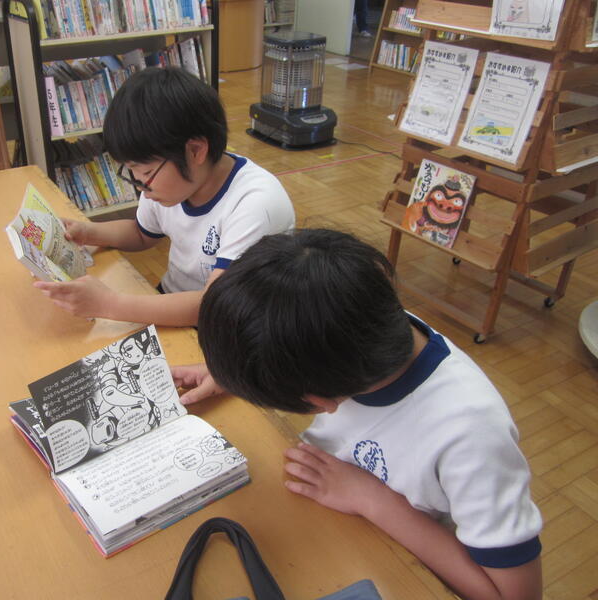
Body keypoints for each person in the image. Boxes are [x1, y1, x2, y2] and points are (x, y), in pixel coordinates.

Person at [172, 229, 543, 600]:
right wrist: (232, 372)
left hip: (400, 564)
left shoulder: (473, 437)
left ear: (321, 401)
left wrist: (372, 499)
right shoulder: (363, 320)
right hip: (331, 509)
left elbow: (514, 596)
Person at [34, 67, 295, 326]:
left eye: (146, 171)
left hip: (224, 324)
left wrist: (107, 304)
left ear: (195, 151)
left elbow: (215, 305)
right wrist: (88, 232)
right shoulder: (170, 184)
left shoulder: (256, 204)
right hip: (174, 303)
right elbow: (141, 234)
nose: (140, 186)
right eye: (132, 170)